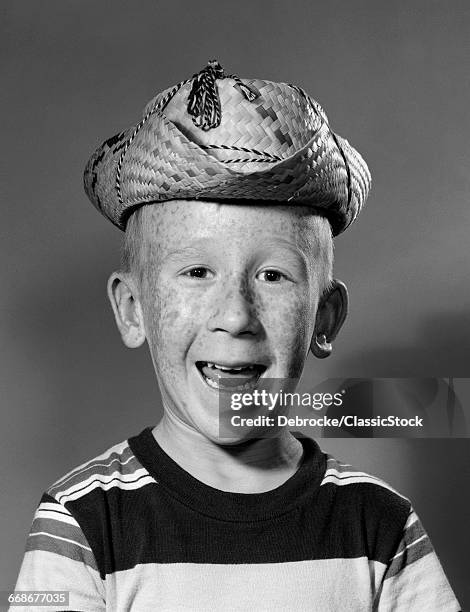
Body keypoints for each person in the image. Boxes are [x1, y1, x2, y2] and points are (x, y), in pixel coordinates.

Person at [12, 60, 460, 611]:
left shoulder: (381, 525)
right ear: (134, 310)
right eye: (196, 272)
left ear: (325, 318)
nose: (236, 316)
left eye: (273, 276)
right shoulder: (79, 524)